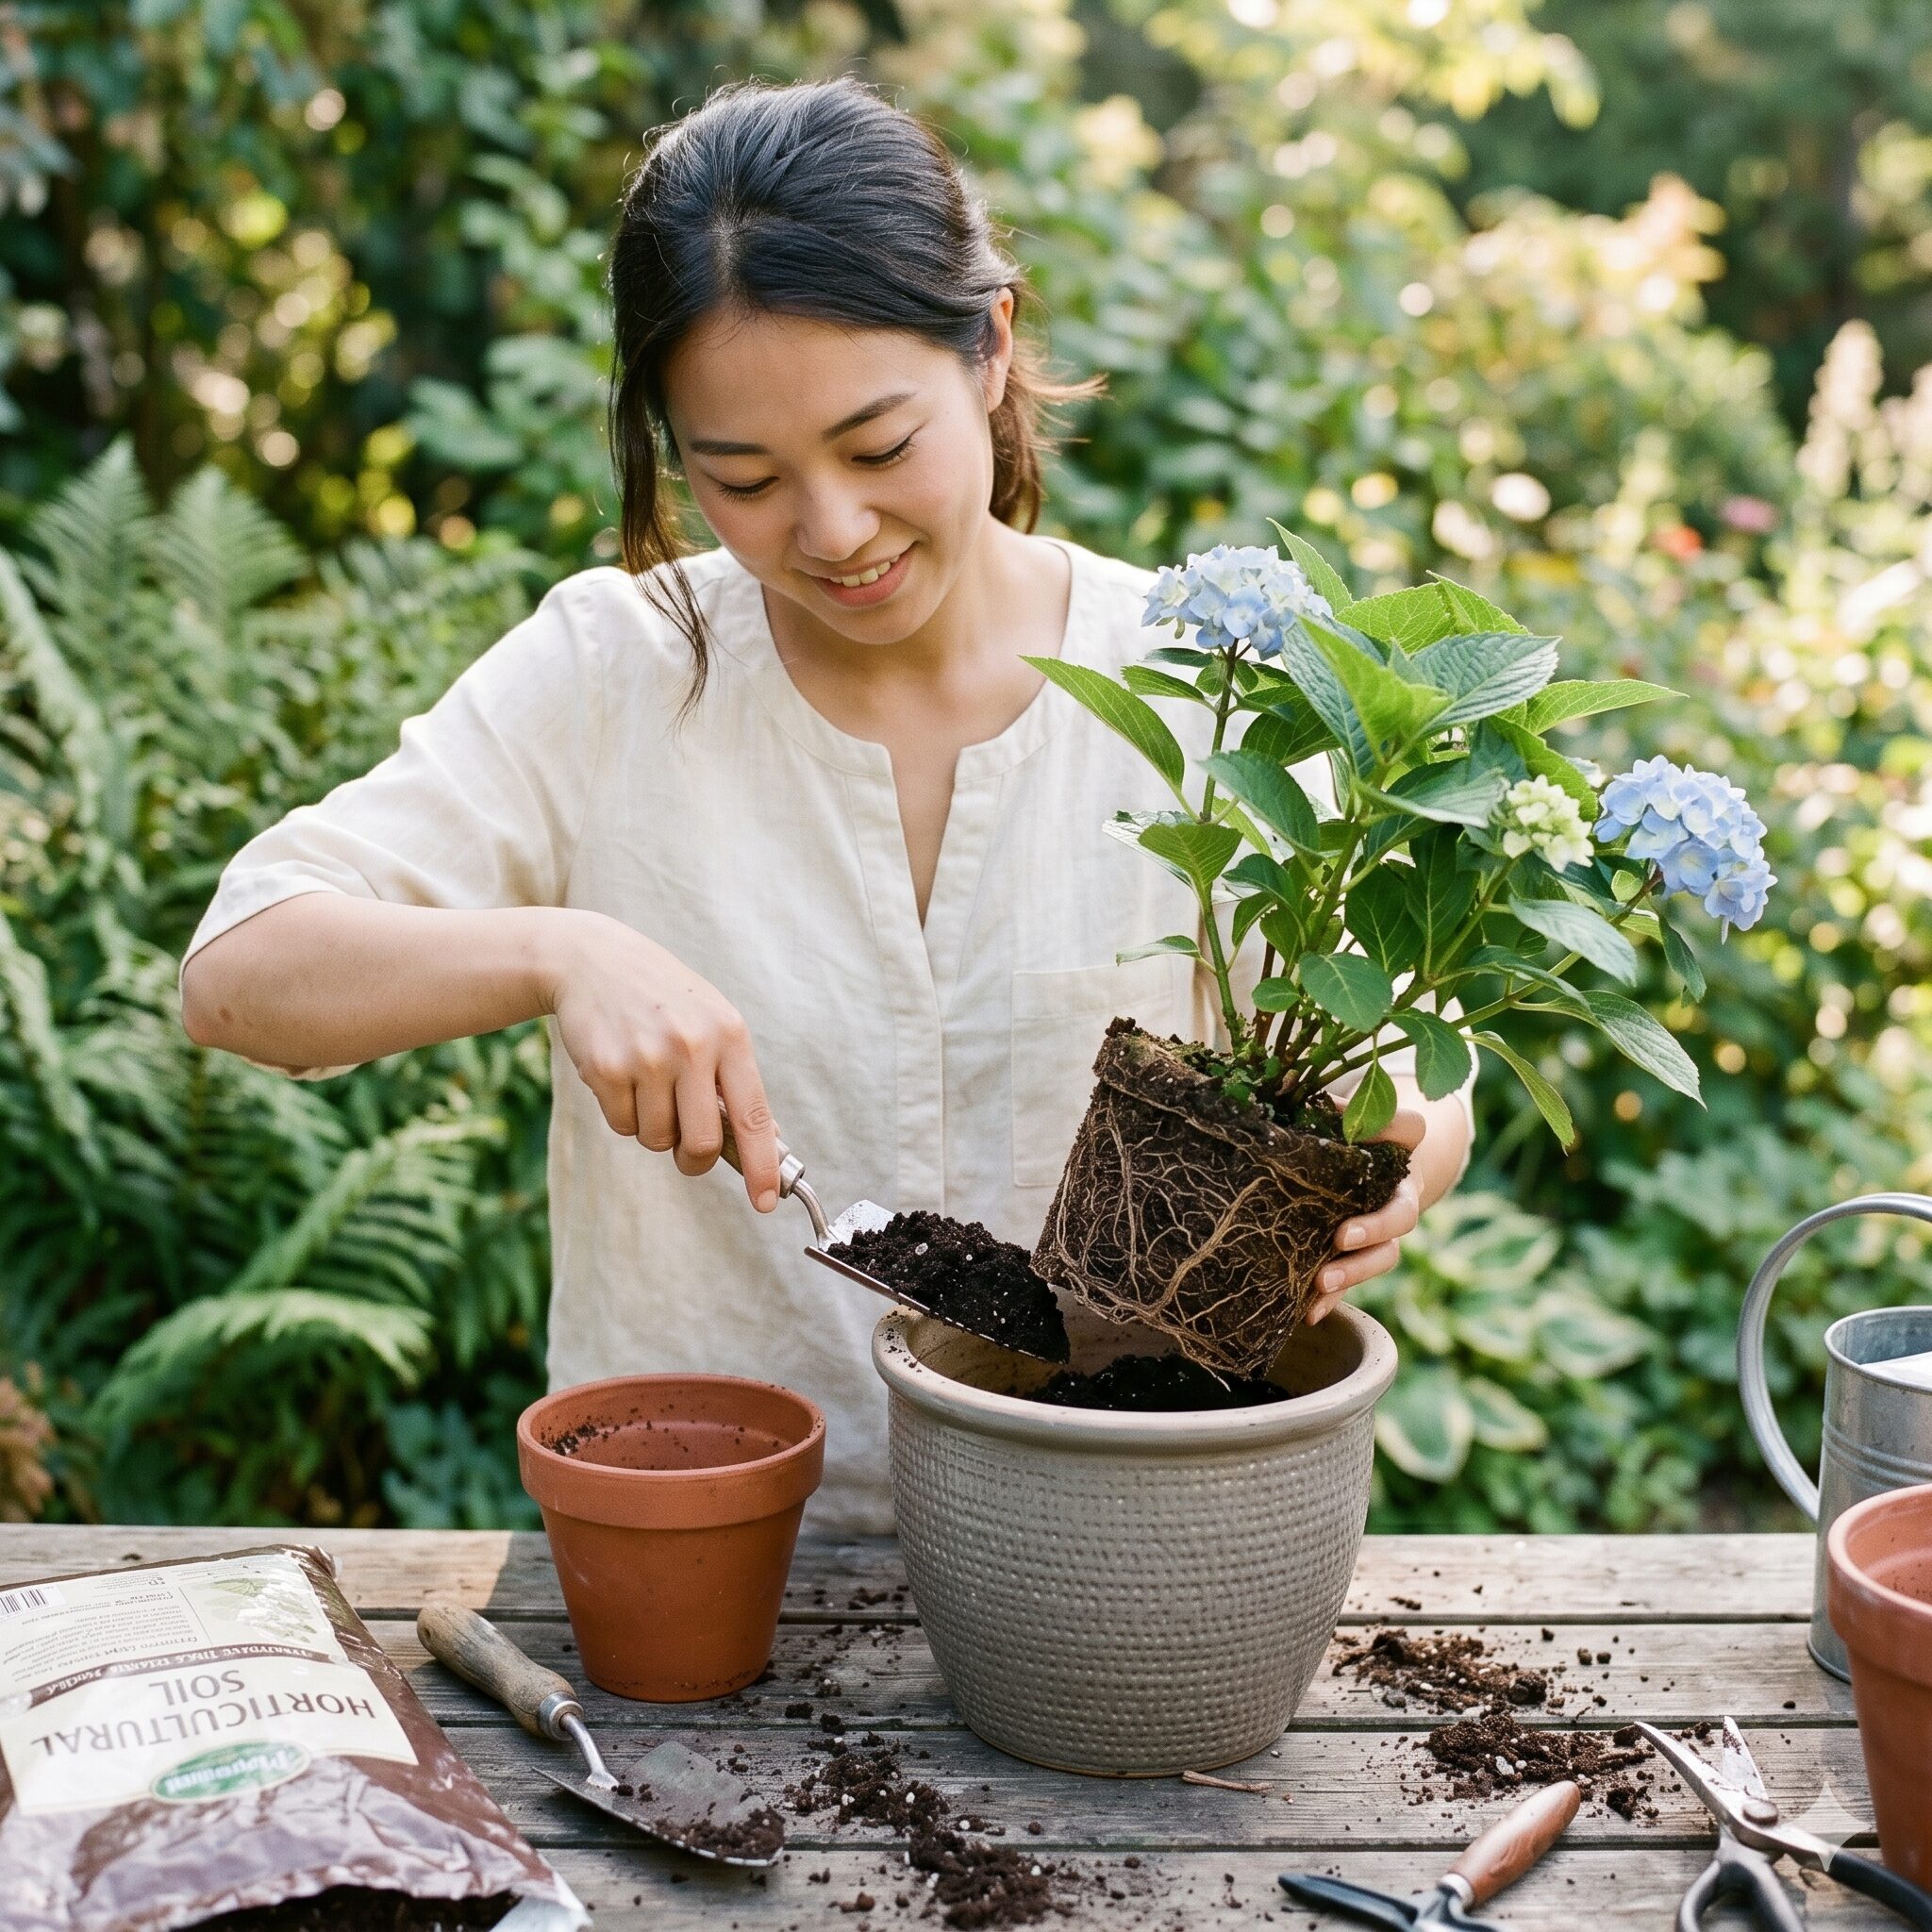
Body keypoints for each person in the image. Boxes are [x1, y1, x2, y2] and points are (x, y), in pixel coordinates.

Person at [180, 75, 1473, 1532]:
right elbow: (240, 977)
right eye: (743, 476)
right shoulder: (614, 675)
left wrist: (1398, 1163)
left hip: (1126, 1550)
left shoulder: (1201, 690)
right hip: (713, 1570)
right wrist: (560, 953)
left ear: (989, 347)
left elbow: (1412, 1064)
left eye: (876, 449)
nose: (832, 532)